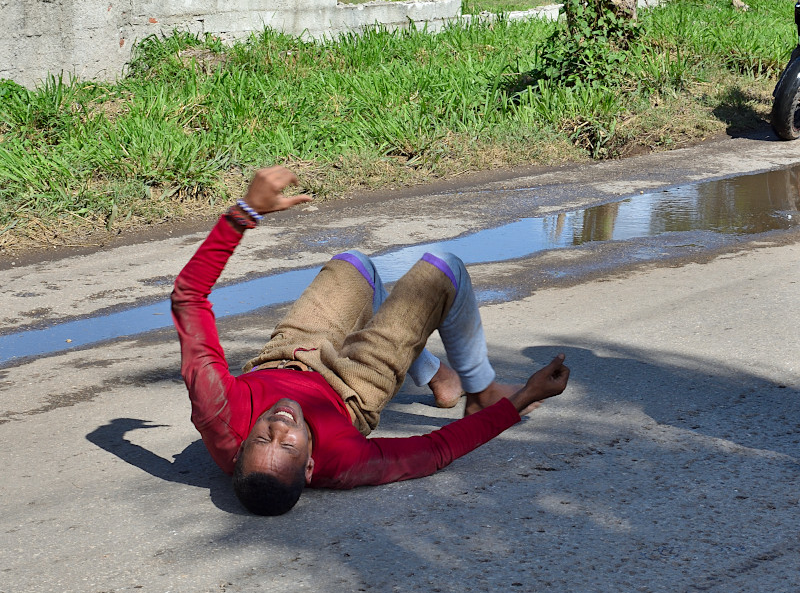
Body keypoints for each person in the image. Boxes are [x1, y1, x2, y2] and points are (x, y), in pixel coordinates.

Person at [171, 165, 570, 515]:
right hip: (353, 390)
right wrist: (521, 399)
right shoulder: (344, 463)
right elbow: (435, 452)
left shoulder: (218, 414)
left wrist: (244, 213)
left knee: (353, 265)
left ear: (239, 449)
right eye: (288, 445)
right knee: (441, 270)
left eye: (263, 437)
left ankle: (434, 375)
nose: (280, 423)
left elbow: (189, 296)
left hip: (288, 353)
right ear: (311, 467)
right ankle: (480, 391)